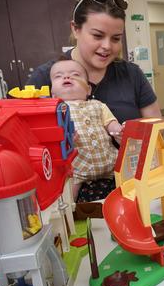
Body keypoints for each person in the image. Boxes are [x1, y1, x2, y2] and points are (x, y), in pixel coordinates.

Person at [28, 0, 161, 123]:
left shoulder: (132, 74)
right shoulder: (45, 77)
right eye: (97, 35)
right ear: (75, 29)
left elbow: (156, 126)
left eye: (115, 38)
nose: (107, 46)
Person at [49, 58, 122, 200]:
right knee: (68, 193)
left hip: (111, 163)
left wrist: (118, 130)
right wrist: (64, 139)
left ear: (88, 89)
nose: (67, 77)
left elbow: (110, 123)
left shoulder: (98, 105)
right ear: (52, 93)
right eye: (58, 76)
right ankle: (72, 212)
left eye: (75, 74)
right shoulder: (56, 111)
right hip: (76, 169)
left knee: (125, 182)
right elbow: (52, 138)